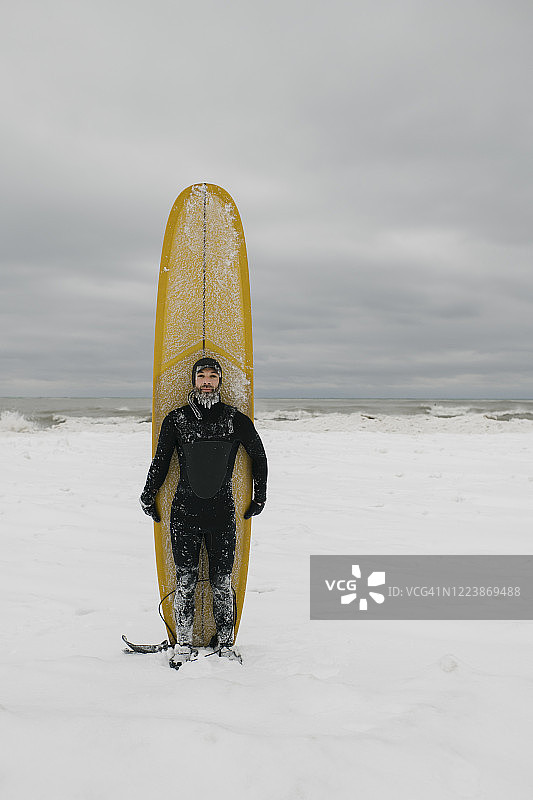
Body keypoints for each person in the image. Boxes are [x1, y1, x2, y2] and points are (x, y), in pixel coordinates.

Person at [140, 356, 267, 665]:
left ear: (220, 380)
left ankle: (225, 644)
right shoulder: (177, 419)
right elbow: (161, 461)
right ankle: (183, 645)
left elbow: (259, 457)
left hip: (222, 514)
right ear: (194, 380)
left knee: (222, 583)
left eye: (213, 376)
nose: (207, 381)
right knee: (185, 581)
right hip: (184, 514)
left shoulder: (234, 420)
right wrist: (148, 495)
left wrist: (259, 497)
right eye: (202, 376)